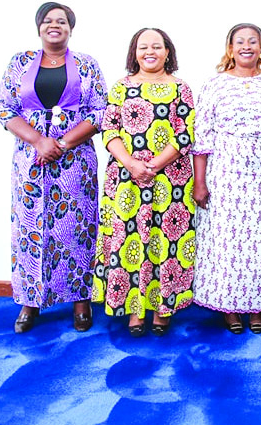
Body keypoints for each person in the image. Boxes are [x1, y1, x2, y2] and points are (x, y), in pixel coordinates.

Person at [0, 2, 107, 333]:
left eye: (62, 21)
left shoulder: (87, 65)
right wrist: (39, 142)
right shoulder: (20, 63)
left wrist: (61, 143)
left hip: (75, 161)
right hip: (30, 161)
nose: (54, 25)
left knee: (78, 229)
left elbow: (100, 111)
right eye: (48, 20)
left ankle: (81, 301)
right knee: (31, 229)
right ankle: (30, 302)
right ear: (39, 27)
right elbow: (4, 108)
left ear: (71, 28)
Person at [192, 23, 261, 334]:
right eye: (240, 41)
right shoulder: (215, 84)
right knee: (228, 243)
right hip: (226, 171)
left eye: (253, 41)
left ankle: (258, 305)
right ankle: (229, 307)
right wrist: (200, 182)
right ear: (230, 48)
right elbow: (203, 136)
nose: (246, 46)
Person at [94, 27, 197, 337]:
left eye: (157, 46)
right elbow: (109, 131)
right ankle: (135, 311)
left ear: (168, 52)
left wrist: (153, 165)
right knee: (129, 242)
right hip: (125, 180)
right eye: (143, 47)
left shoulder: (182, 88)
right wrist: (132, 164)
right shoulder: (120, 88)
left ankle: (162, 310)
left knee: (164, 241)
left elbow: (186, 133)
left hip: (171, 180)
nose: (149, 51)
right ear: (134, 53)